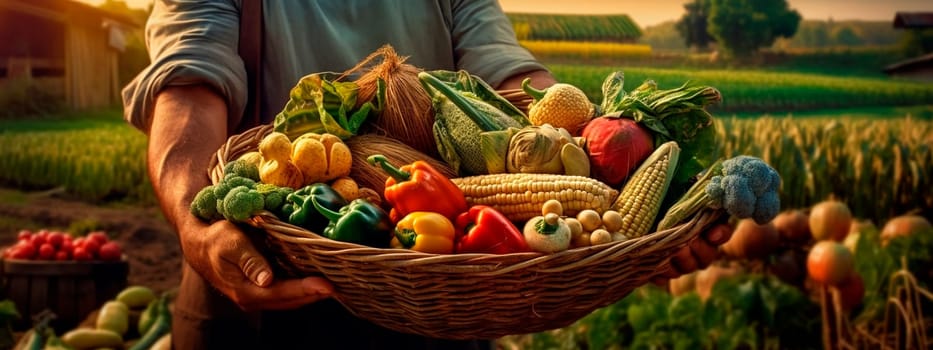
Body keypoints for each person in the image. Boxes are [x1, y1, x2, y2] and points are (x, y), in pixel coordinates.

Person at [122, 1, 732, 348]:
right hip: (257, 304)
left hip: (436, 298)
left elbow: (507, 73)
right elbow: (187, 88)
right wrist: (192, 216)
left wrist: (594, 147)